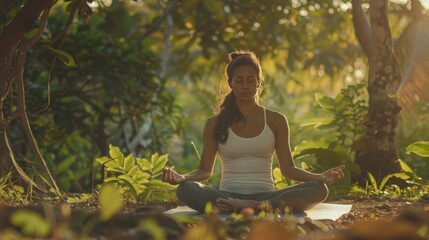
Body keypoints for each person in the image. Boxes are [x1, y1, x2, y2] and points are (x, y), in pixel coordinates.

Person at [162, 50, 345, 213]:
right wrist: (182, 177)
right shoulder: (215, 123)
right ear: (230, 83)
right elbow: (204, 171)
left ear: (259, 82)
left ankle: (255, 206)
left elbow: (288, 169)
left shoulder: (276, 120)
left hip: (267, 195)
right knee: (186, 189)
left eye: (250, 80)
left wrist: (320, 177)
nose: (245, 86)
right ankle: (253, 207)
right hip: (226, 195)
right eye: (239, 81)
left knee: (319, 188)